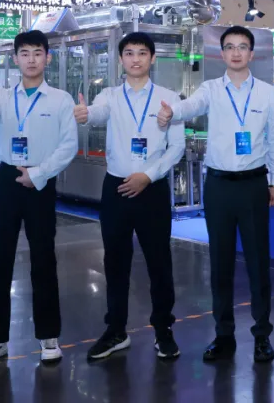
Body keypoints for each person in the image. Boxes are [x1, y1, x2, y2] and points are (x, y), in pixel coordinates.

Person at [157, 25, 274, 363]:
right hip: (219, 186)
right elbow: (191, 106)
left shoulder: (267, 93)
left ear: (251, 54)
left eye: (242, 47)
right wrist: (172, 112)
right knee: (220, 264)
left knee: (258, 263)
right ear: (222, 53)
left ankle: (262, 335)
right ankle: (223, 335)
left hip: (254, 185)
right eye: (230, 47)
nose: (236, 53)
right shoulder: (211, 89)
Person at [0, 30, 77, 368]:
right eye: (25, 53)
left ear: (48, 58)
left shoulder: (60, 100)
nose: (31, 59)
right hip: (6, 181)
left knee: (44, 260)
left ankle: (49, 336)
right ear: (15, 59)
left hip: (40, 182)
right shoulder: (1, 96)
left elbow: (68, 146)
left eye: (37, 53)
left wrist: (38, 174)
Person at [76, 32, 186, 361]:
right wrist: (84, 113)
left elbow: (176, 147)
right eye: (128, 53)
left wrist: (148, 176)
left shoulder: (168, 98)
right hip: (116, 188)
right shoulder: (109, 96)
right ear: (120, 59)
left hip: (153, 189)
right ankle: (115, 331)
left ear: (152, 58)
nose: (135, 59)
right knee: (115, 262)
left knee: (159, 262)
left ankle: (163, 330)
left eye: (141, 53)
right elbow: (95, 113)